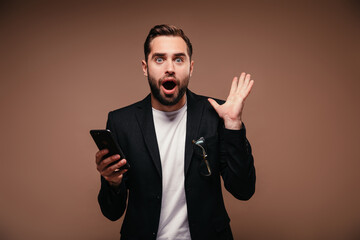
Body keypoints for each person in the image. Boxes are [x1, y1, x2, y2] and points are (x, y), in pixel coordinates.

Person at [95, 24, 256, 240]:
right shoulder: (121, 122)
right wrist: (112, 181)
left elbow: (243, 190)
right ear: (145, 67)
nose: (169, 68)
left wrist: (233, 124)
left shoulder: (216, 114)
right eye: (159, 59)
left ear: (190, 67)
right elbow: (112, 213)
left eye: (179, 59)